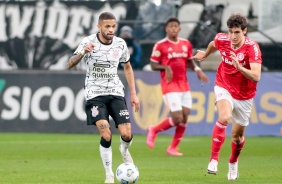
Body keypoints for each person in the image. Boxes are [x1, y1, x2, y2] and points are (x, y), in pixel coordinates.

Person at [67, 12, 140, 184]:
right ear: (99, 26)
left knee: (127, 134)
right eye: (107, 26)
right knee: (106, 134)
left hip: (115, 92)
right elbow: (69, 64)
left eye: (113, 26)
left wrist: (134, 94)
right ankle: (109, 175)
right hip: (95, 95)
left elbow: (128, 68)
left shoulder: (120, 44)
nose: (111, 30)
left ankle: (124, 150)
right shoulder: (88, 42)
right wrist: (83, 53)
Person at [193, 13, 262, 180]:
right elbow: (213, 43)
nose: (233, 36)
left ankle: (233, 162)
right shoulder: (223, 39)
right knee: (224, 117)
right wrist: (206, 54)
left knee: (237, 138)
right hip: (223, 85)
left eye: (237, 32)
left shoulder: (252, 48)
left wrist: (240, 68)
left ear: (244, 31)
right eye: (230, 31)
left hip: (245, 95)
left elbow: (256, 76)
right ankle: (213, 160)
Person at [146, 17, 209, 156]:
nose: (173, 28)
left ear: (179, 29)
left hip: (184, 85)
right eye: (171, 26)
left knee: (185, 116)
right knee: (177, 118)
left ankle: (172, 148)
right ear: (166, 29)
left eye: (176, 26)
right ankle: (154, 130)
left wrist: (198, 70)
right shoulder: (160, 45)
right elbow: (153, 65)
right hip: (169, 85)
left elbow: (190, 62)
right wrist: (166, 67)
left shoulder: (186, 44)